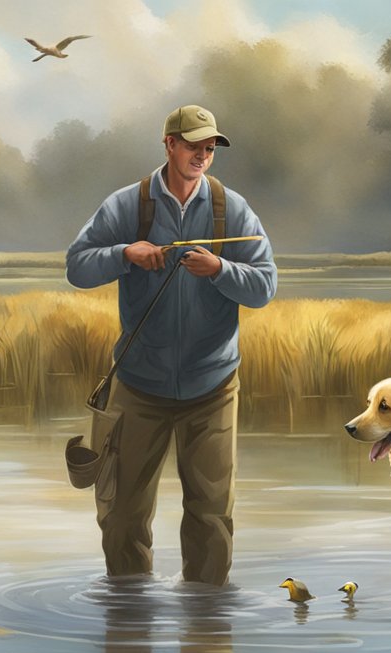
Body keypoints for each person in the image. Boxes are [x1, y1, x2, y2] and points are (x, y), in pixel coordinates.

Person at [66, 104, 277, 586]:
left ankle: (206, 634)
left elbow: (265, 286)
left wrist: (220, 270)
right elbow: (77, 266)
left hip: (213, 386)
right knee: (121, 515)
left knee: (211, 518)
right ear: (169, 144)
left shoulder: (232, 209)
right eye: (194, 145)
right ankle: (127, 624)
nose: (202, 155)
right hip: (138, 385)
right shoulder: (128, 205)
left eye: (210, 148)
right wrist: (125, 254)